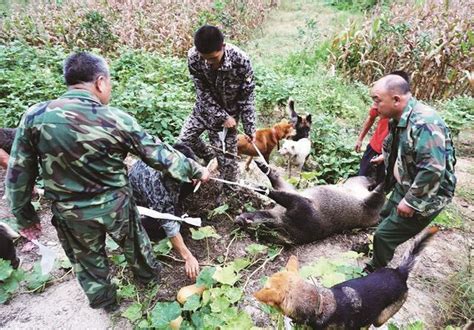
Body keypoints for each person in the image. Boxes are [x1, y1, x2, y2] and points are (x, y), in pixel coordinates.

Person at [6, 52, 209, 311]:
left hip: (71, 213)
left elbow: (18, 174)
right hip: (116, 207)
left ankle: (107, 305)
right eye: (109, 83)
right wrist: (196, 170)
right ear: (100, 82)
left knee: (88, 261)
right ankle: (149, 282)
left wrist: (25, 217)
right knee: (136, 248)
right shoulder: (115, 119)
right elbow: (159, 154)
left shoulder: (35, 116)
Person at [364, 74, 456, 272]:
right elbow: (405, 147)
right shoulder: (399, 118)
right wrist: (386, 157)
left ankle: (375, 271)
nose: (374, 107)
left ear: (396, 99)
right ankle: (378, 252)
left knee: (384, 235)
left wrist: (411, 201)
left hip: (427, 193)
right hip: (407, 183)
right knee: (384, 215)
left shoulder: (424, 124)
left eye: (377, 100)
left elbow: (433, 169)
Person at [178, 25, 256, 187]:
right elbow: (202, 91)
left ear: (223, 47)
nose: (208, 62)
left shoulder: (241, 61)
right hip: (203, 111)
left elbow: (247, 96)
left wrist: (249, 128)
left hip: (229, 118)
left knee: (227, 159)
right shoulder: (193, 57)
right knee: (183, 142)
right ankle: (209, 156)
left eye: (213, 58)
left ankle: (230, 193)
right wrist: (221, 115)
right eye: (205, 58)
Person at [129, 143, 202, 280]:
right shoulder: (156, 183)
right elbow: (168, 222)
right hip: (140, 208)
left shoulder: (167, 156)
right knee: (162, 229)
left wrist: (197, 174)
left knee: (189, 185)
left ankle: (174, 206)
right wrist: (188, 257)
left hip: (155, 193)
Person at [355, 71, 410, 185]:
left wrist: (387, 156)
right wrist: (360, 139)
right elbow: (370, 118)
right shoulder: (381, 104)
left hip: (391, 156)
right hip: (375, 148)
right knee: (361, 179)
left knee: (380, 186)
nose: (375, 106)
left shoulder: (413, 119)